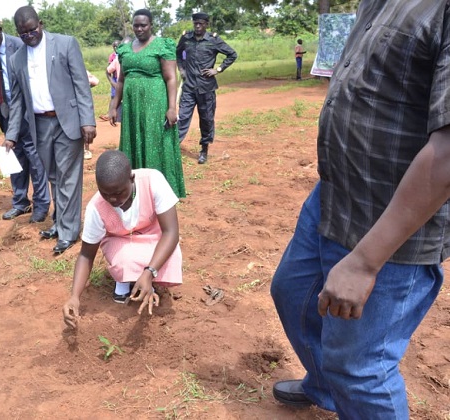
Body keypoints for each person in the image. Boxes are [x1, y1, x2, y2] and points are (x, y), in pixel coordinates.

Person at [270, 1, 450, 418]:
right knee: (293, 294)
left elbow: (446, 155)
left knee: (361, 368)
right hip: (333, 198)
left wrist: (365, 262)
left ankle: (346, 385)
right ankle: (326, 386)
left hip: (390, 228)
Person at [6, 6, 96, 254]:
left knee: (68, 177)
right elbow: (17, 101)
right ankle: (59, 222)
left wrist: (88, 120)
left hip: (68, 120)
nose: (28, 36)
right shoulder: (16, 60)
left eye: (32, 30)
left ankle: (68, 232)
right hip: (40, 125)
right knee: (54, 177)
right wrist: (11, 135)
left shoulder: (65, 44)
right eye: (22, 33)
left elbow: (81, 84)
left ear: (41, 23)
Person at [62, 150, 182, 328]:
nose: (112, 199)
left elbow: (171, 232)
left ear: (132, 179)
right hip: (121, 241)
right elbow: (86, 255)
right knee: (124, 260)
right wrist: (74, 297)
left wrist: (149, 272)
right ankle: (124, 281)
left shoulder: (152, 181)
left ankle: (148, 278)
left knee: (172, 256)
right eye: (105, 193)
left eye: (118, 193)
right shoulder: (96, 207)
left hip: (154, 236)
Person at [0, 14, 50, 222]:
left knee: (35, 158)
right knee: (14, 157)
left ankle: (41, 204)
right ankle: (20, 202)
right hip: (7, 112)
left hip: (28, 111)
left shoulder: (19, 44)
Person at [108, 9, 185, 199]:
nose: (139, 28)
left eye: (143, 25)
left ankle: (160, 191)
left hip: (155, 104)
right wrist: (113, 105)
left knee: (155, 142)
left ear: (151, 25)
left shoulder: (162, 45)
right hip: (133, 106)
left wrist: (172, 107)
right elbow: (122, 80)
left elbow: (170, 78)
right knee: (133, 140)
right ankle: (136, 189)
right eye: (136, 25)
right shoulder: (125, 49)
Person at [176, 12, 237, 165]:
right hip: (189, 87)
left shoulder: (213, 40)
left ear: (206, 25)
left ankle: (204, 149)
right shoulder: (186, 38)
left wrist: (218, 69)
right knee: (182, 117)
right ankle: (173, 147)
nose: (197, 26)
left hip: (206, 88)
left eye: (201, 23)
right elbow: (178, 53)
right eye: (195, 23)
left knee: (206, 119)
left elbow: (232, 54)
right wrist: (182, 69)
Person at [100, 40, 121, 122]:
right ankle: (110, 113)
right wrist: (113, 82)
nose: (116, 48)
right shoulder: (112, 56)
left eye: (117, 46)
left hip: (121, 78)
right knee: (114, 96)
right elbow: (109, 69)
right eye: (114, 46)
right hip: (115, 78)